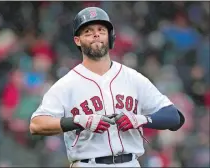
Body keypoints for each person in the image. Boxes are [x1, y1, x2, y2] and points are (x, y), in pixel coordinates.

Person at [29, 7, 185, 167]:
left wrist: (140, 119)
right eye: (88, 31)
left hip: (130, 163)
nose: (96, 34)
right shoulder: (67, 84)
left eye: (101, 30)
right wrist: (79, 120)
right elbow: (36, 124)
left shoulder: (133, 78)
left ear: (110, 36)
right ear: (77, 40)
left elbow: (174, 117)